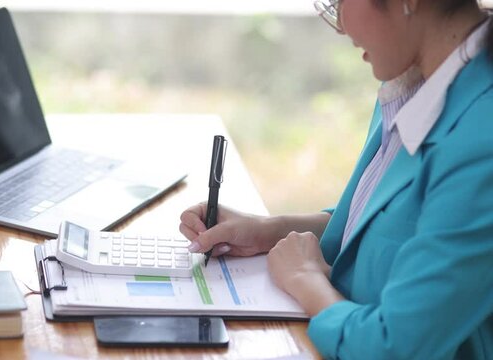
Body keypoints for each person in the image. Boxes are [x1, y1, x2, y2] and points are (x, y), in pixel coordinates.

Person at [179, 0, 493, 358]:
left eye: (339, 1)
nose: (340, 25)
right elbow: (387, 225)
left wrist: (306, 281)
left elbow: (394, 348)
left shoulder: (481, 139)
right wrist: (270, 229)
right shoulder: (416, 82)